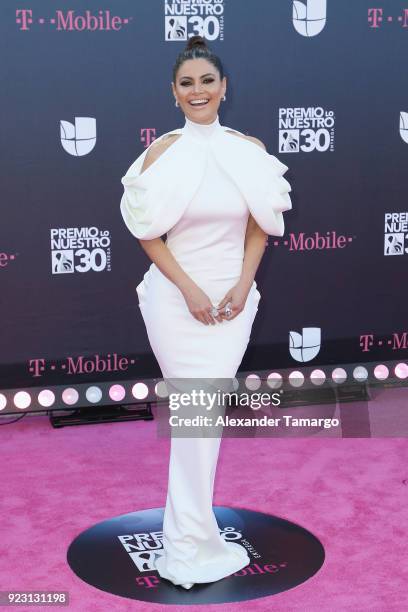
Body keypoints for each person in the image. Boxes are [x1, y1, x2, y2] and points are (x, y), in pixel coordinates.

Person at [120, 35, 292, 590]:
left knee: (206, 421)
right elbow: (148, 233)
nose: (199, 91)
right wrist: (191, 290)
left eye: (207, 81)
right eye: (187, 83)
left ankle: (193, 535)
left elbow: (258, 224)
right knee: (197, 420)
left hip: (234, 304)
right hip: (176, 301)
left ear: (224, 88)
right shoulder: (161, 153)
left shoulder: (248, 149)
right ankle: (187, 542)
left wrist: (243, 286)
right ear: (174, 94)